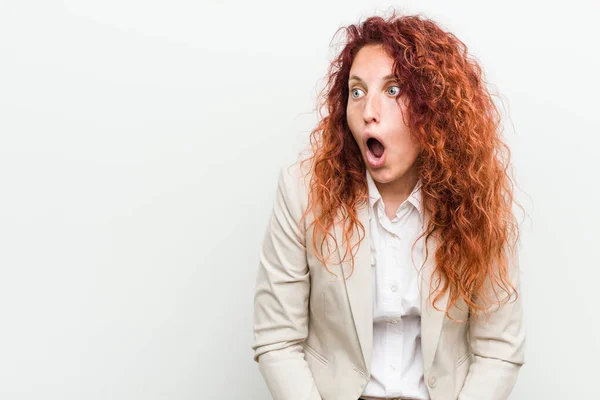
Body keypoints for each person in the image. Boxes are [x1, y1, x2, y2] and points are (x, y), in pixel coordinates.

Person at [251, 11, 526, 400]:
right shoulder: (301, 191)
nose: (368, 111)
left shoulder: (476, 197)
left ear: (435, 109)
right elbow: (277, 339)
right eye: (357, 91)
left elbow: (499, 347)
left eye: (393, 90)